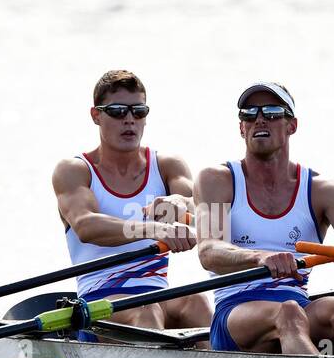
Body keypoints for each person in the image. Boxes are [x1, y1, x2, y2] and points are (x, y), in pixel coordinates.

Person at [194, 82, 334, 358]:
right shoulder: (216, 180)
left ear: (292, 125)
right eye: (249, 113)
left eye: (272, 112)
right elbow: (208, 251)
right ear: (241, 128)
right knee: (288, 313)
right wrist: (259, 257)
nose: (260, 119)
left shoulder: (323, 189)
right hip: (236, 314)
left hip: (298, 309)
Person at [52, 70, 213, 331]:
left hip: (156, 294)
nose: (129, 120)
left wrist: (181, 204)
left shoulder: (167, 165)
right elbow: (86, 225)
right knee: (146, 311)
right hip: (100, 300)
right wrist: (155, 228)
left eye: (138, 111)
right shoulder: (74, 170)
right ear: (96, 115)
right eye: (117, 111)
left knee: (197, 302)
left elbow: (205, 210)